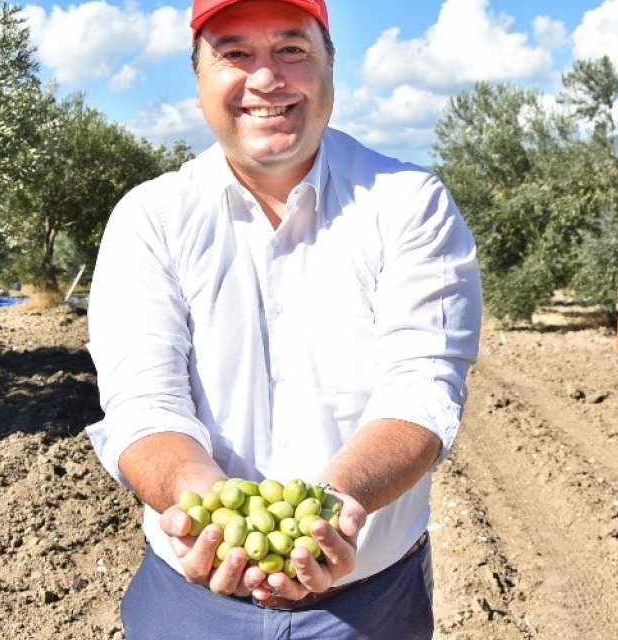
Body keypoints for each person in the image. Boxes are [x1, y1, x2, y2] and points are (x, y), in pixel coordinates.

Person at [84, 0, 483, 637]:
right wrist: (202, 505)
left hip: (369, 607)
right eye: (234, 53)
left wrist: (332, 508)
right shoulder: (150, 219)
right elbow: (143, 403)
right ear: (198, 78)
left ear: (330, 64)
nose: (266, 78)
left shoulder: (409, 205)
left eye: (291, 50)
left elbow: (423, 388)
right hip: (190, 605)